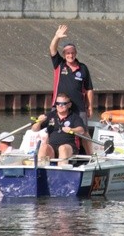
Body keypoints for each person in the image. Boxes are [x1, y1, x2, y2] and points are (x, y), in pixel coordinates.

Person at [49, 24, 94, 154]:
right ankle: (51, 153)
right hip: (59, 105)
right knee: (52, 129)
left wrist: (90, 107)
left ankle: (90, 155)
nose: (70, 55)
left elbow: (89, 89)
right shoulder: (59, 64)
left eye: (72, 53)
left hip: (79, 107)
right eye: (68, 53)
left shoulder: (83, 68)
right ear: (64, 54)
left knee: (83, 131)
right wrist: (57, 37)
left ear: (76, 53)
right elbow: (52, 49)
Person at [32, 93, 86, 166]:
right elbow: (34, 129)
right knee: (44, 147)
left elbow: (81, 130)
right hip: (52, 146)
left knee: (62, 148)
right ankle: (41, 171)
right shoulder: (50, 115)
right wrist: (39, 122)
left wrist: (72, 130)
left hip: (69, 147)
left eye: (63, 103)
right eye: (58, 103)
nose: (60, 105)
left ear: (69, 105)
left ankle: (61, 173)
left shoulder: (75, 117)